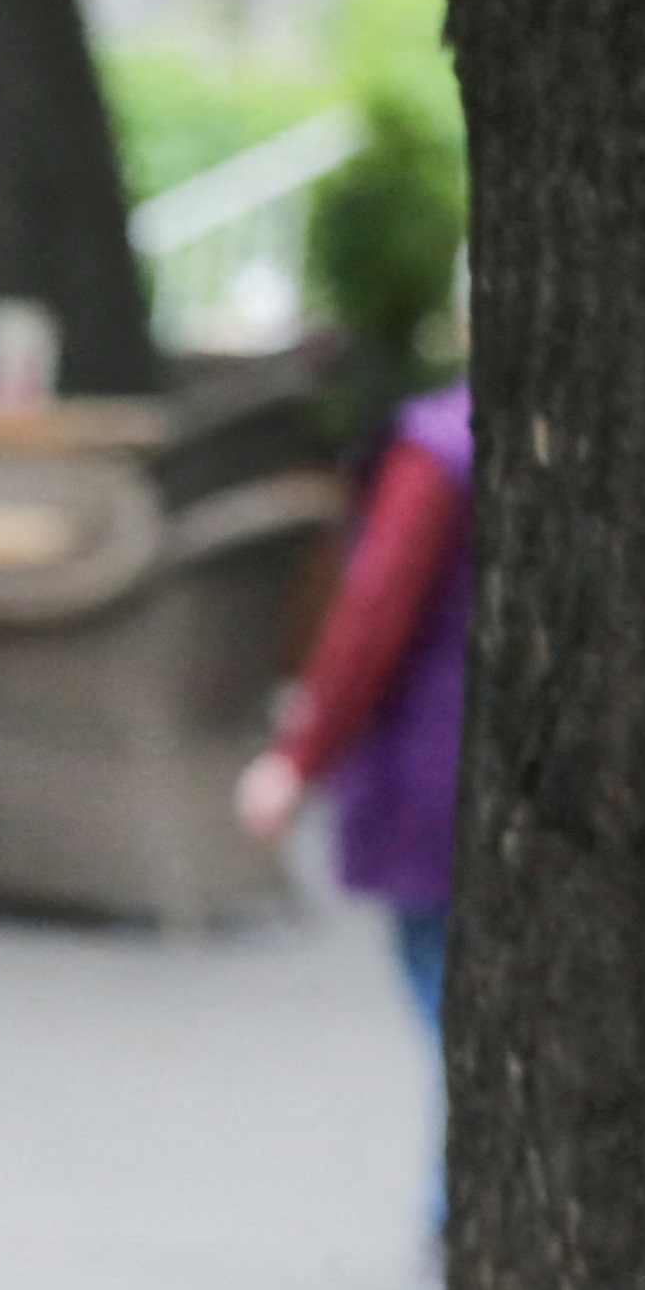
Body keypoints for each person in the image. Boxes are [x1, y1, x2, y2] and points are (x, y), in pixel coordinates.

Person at [239, 382, 472, 1234]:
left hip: (436, 760)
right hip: (513, 757)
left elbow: (374, 610)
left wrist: (298, 758)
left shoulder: (439, 448)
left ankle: (465, 1201)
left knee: (452, 991)